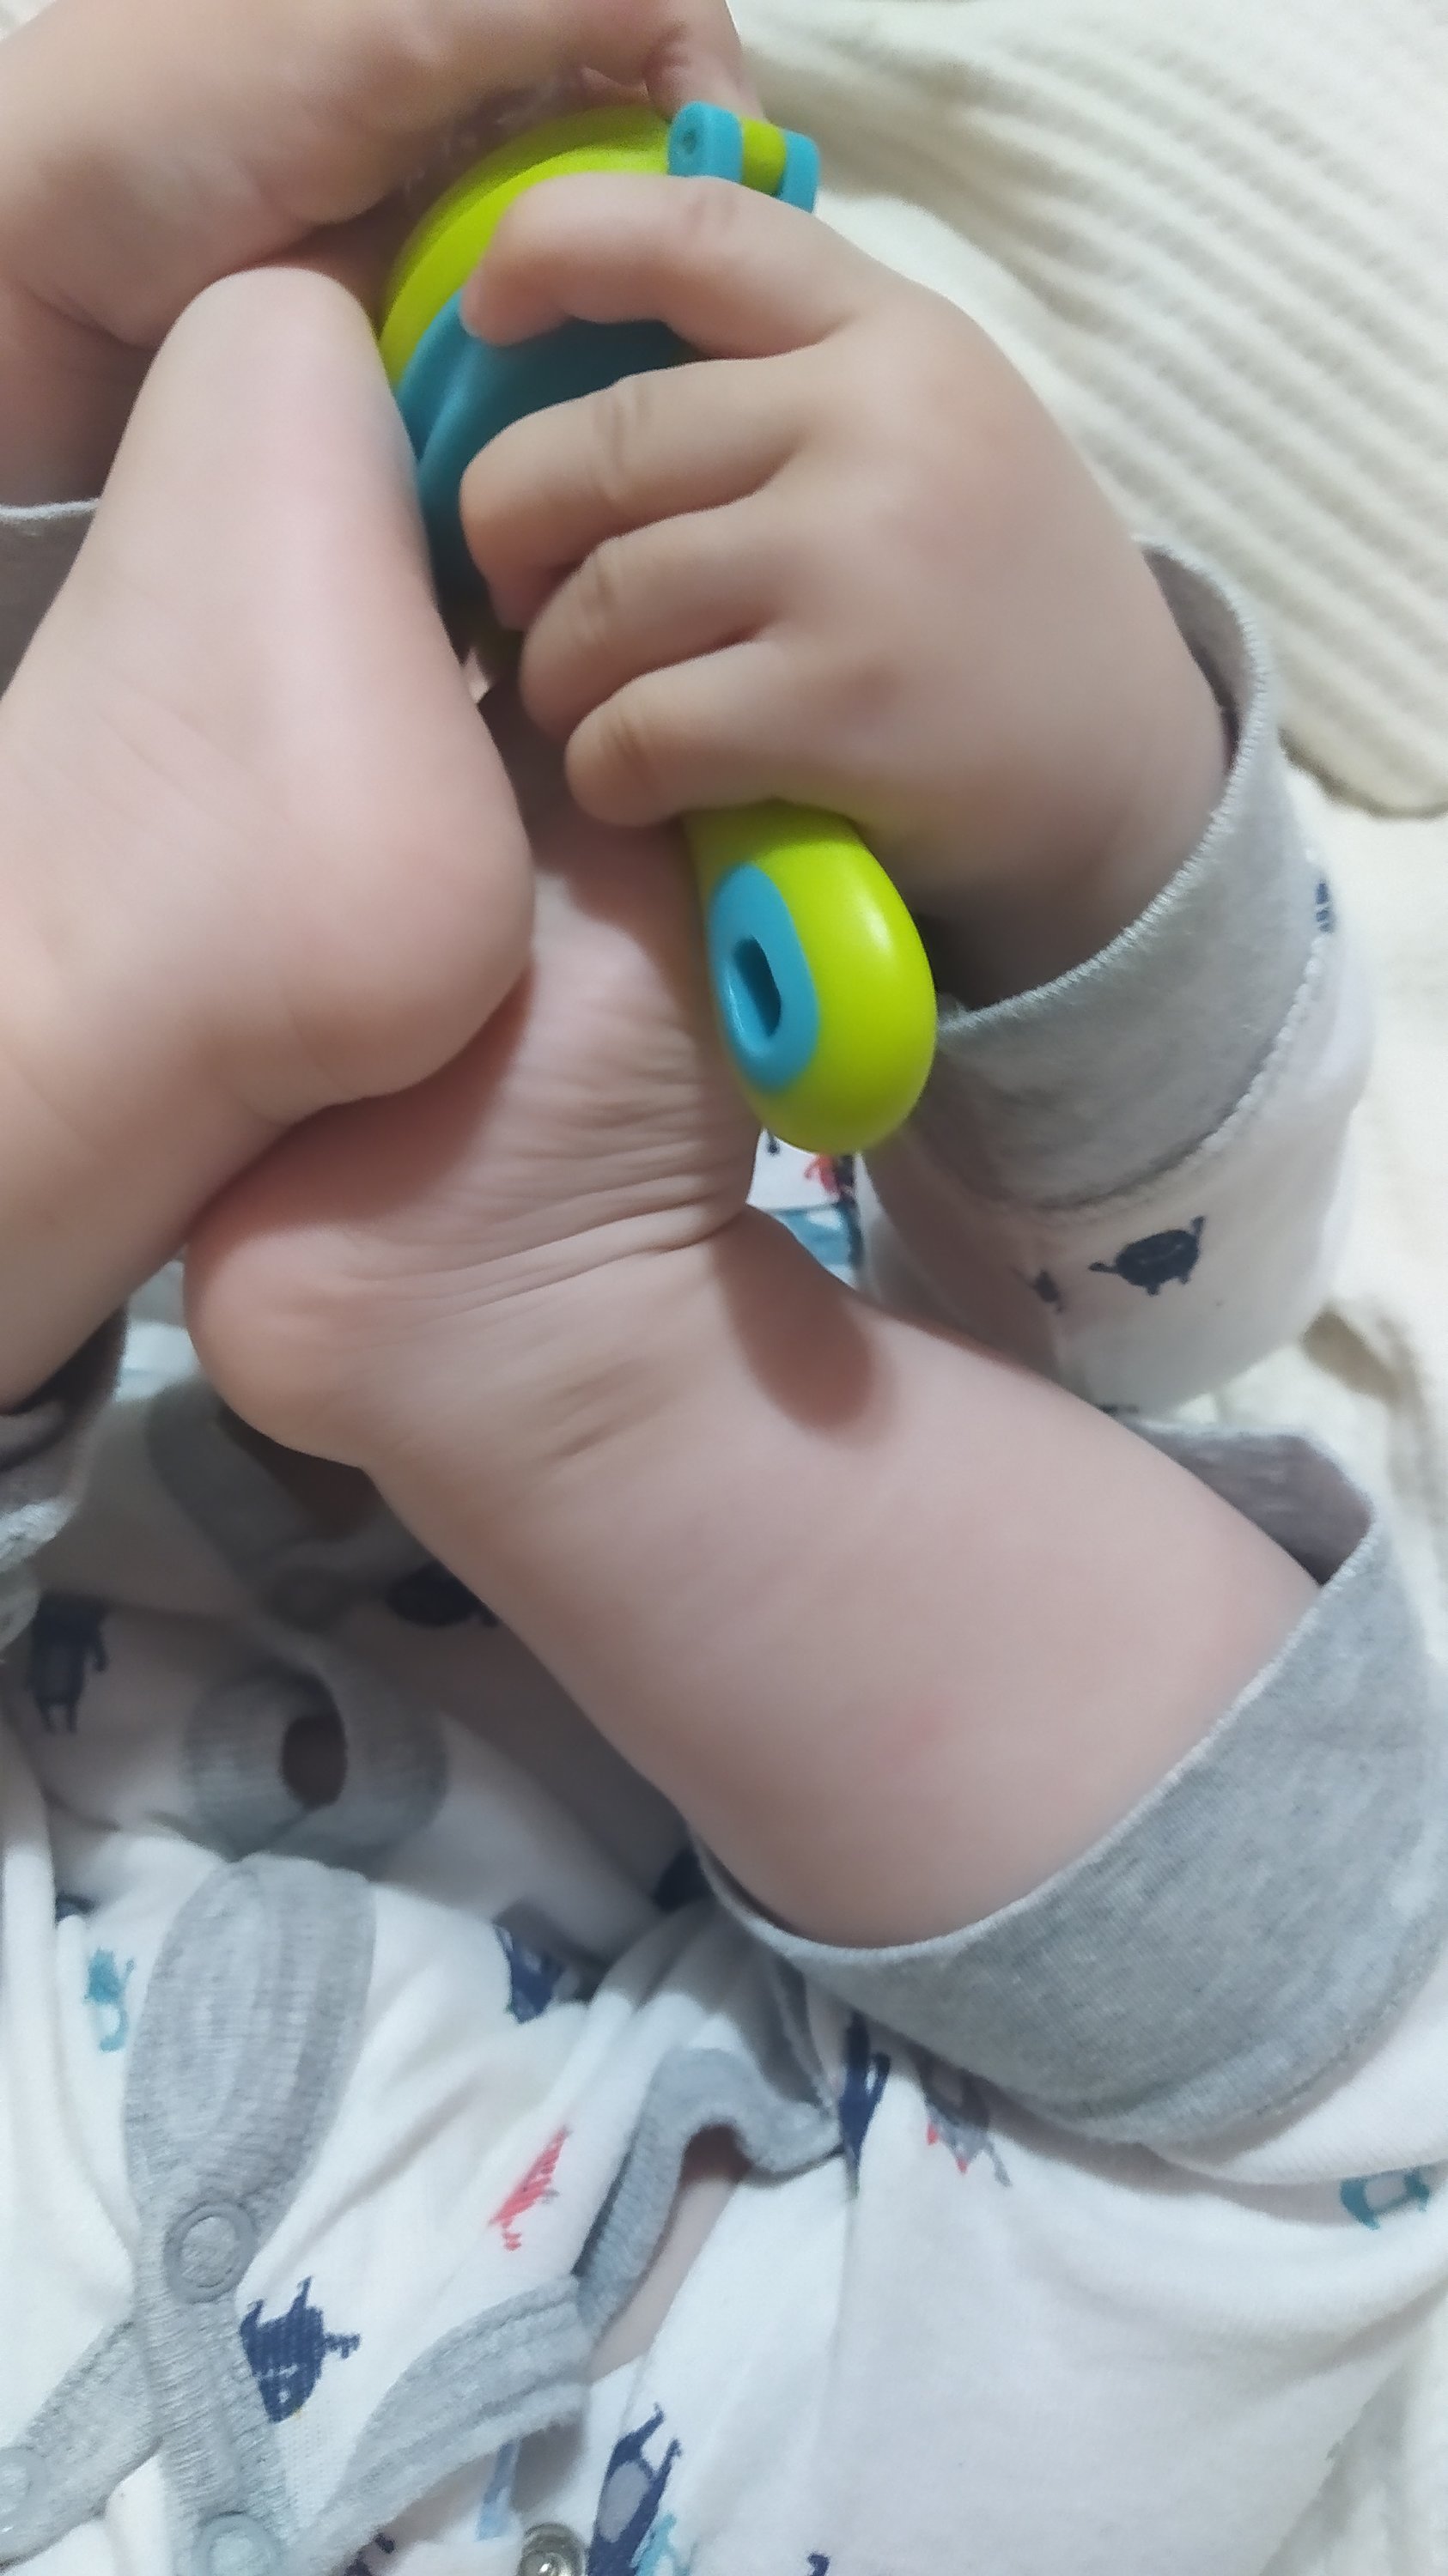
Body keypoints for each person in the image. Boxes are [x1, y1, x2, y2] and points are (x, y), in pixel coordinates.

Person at [0, 3, 1436, 2573]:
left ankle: (70, 975)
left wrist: (49, 328)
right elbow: (1144, 1319)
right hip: (603, 2325)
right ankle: (579, 1357)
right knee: (1323, 2055)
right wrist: (1071, 803)